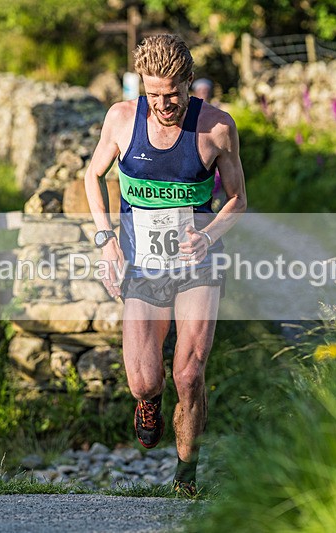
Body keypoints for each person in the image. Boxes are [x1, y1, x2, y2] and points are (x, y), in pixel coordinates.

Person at [84, 34, 247, 497]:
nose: (163, 104)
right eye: (153, 94)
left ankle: (186, 476)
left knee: (189, 374)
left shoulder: (216, 127)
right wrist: (105, 241)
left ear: (189, 84)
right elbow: (92, 176)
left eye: (172, 94)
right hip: (141, 265)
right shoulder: (121, 119)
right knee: (144, 380)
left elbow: (238, 199)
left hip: (197, 265)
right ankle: (148, 403)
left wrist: (208, 235)